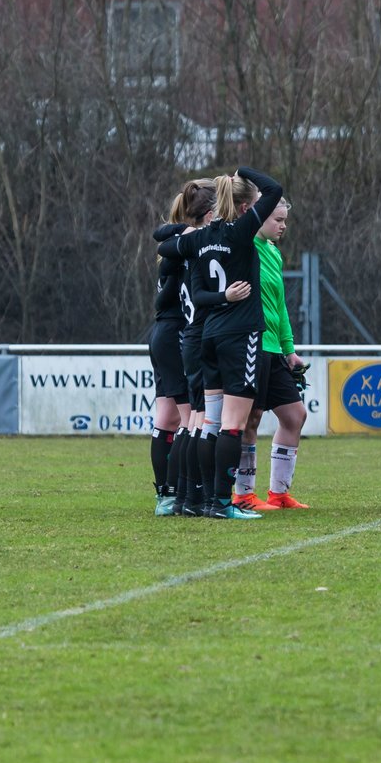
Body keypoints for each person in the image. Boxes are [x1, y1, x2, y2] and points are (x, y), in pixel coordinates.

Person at [159, 166, 283, 519]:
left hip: (209, 335)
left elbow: (171, 252)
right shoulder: (241, 232)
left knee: (207, 423)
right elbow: (275, 187)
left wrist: (185, 231)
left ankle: (193, 500)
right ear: (245, 206)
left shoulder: (200, 239)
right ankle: (221, 502)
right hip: (240, 334)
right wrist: (244, 170)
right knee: (233, 424)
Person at [232, 199, 311, 512]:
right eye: (277, 219)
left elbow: (279, 306)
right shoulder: (247, 244)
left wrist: (289, 350)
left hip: (275, 351)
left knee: (295, 416)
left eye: (285, 221)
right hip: (253, 344)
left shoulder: (274, 253)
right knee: (250, 419)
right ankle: (244, 496)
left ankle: (279, 495)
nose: (283, 226)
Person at [148, 192, 192, 516]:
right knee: (188, 418)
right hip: (174, 332)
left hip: (162, 334)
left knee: (166, 418)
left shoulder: (174, 241)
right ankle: (175, 493)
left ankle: (166, 494)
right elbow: (164, 301)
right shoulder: (182, 249)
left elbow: (160, 233)